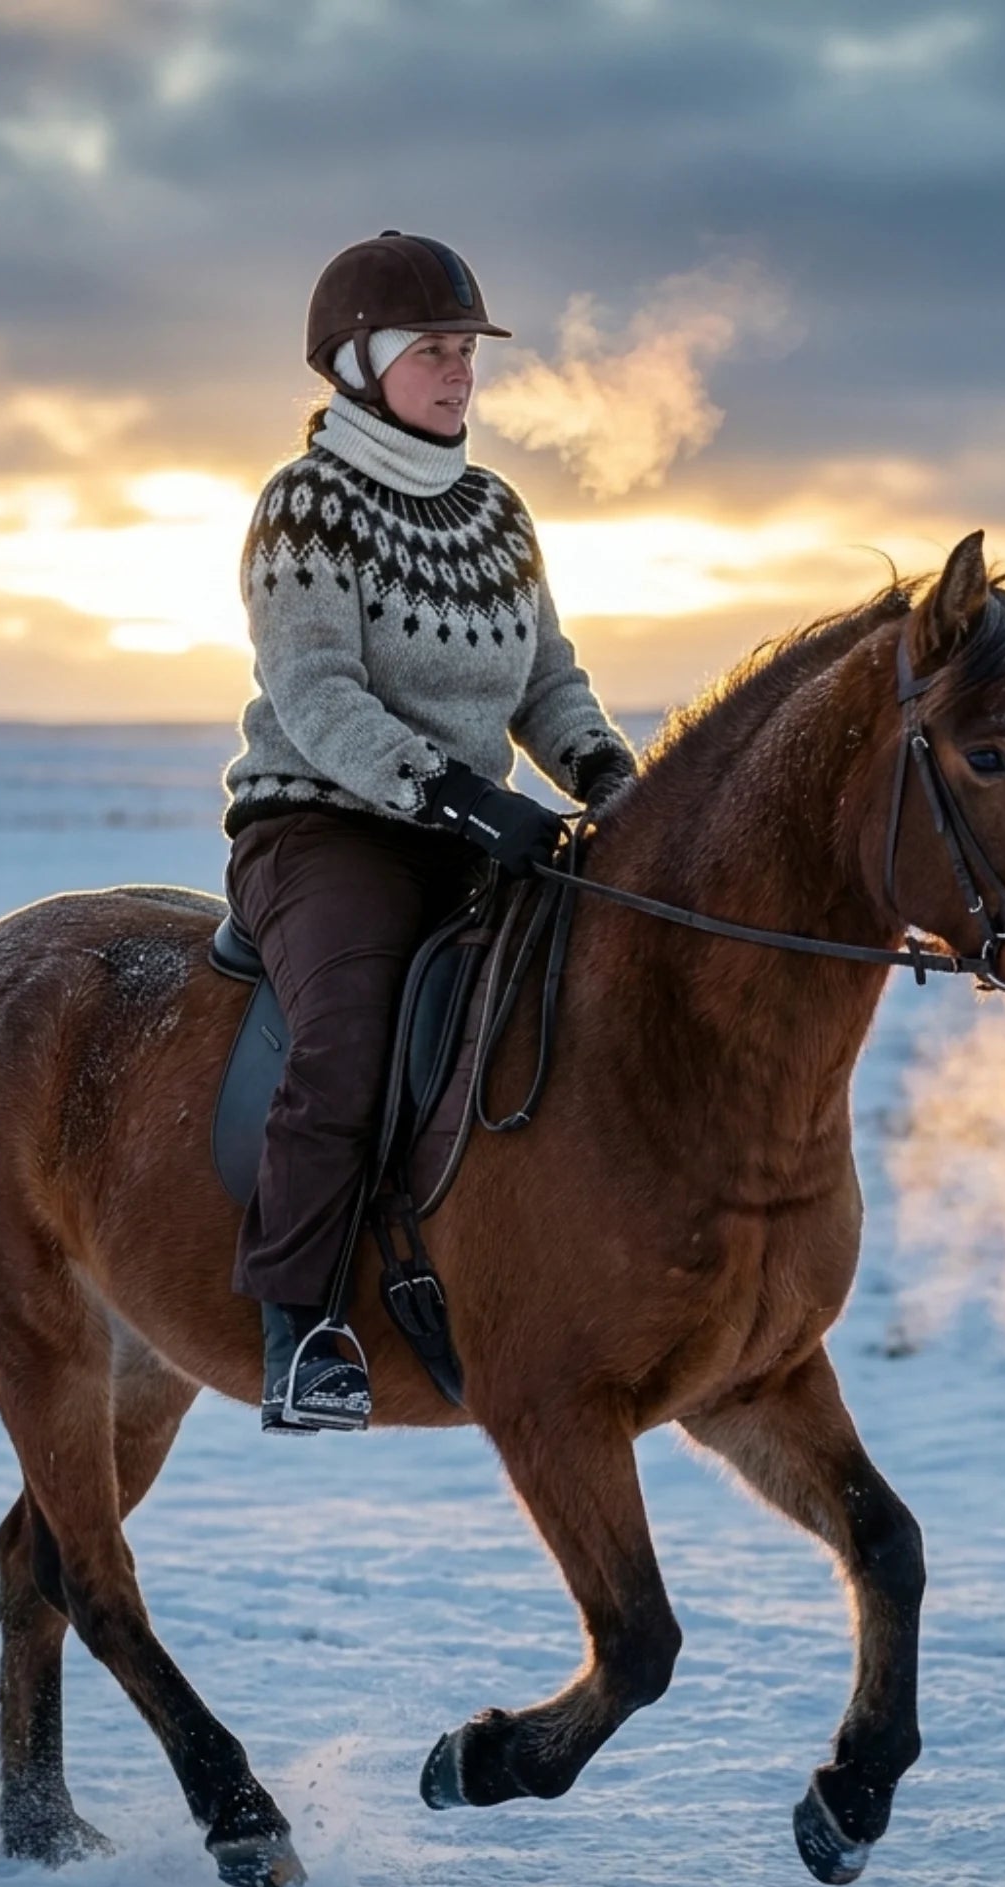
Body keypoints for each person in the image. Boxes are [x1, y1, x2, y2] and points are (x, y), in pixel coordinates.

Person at [223, 230, 637, 1433]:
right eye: (432, 351)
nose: (458, 373)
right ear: (356, 362)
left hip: (472, 831)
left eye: (466, 351)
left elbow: (545, 680)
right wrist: (452, 792)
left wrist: (611, 778)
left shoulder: (496, 513)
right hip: (321, 828)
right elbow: (316, 691)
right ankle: (300, 1329)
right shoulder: (306, 503)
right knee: (344, 1038)